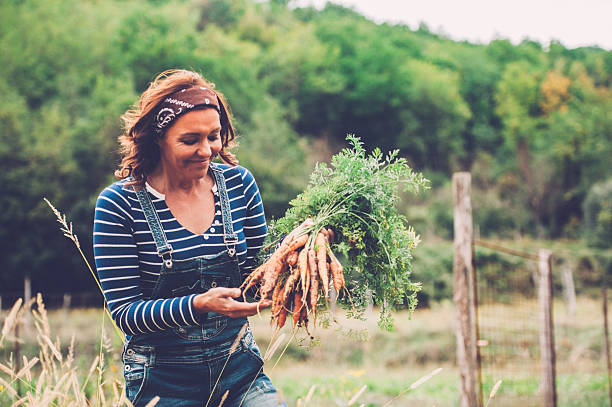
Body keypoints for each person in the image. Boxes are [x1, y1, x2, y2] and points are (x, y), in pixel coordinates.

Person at [93, 69, 286, 407]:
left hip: (239, 370)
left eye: (214, 136)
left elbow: (258, 277)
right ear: (157, 139)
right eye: (190, 140)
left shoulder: (239, 185)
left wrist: (301, 249)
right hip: (162, 384)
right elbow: (125, 313)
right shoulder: (119, 204)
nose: (207, 150)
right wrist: (198, 304)